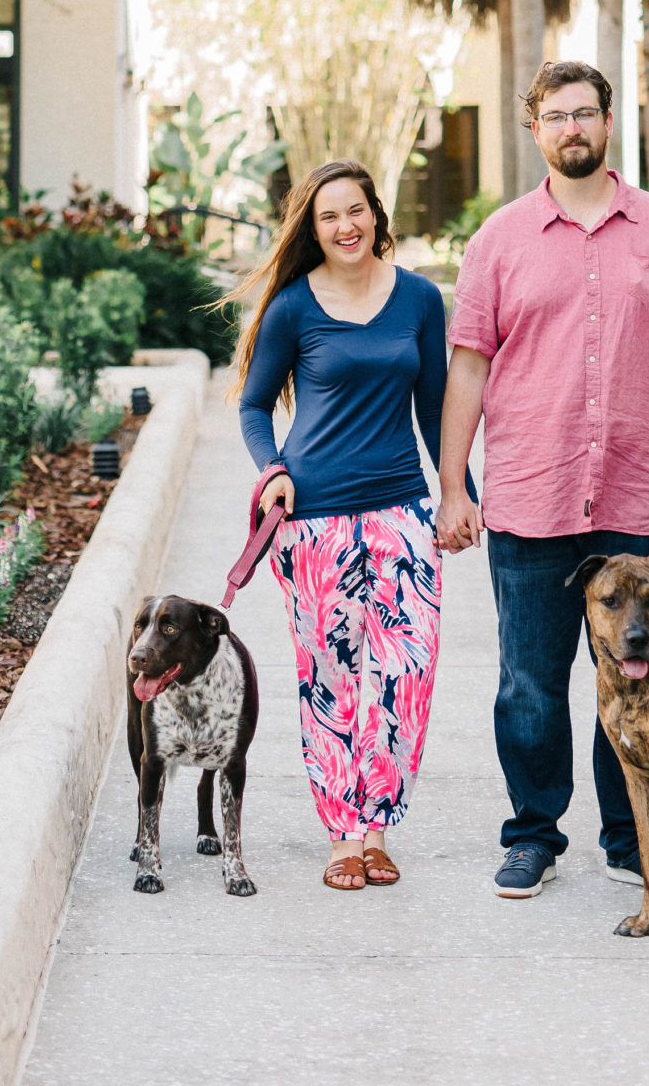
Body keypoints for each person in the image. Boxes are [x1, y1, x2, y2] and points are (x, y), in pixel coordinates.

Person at [436, 61, 649, 899]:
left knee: (641, 675)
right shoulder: (497, 240)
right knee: (528, 683)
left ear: (608, 123)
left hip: (640, 499)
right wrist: (454, 485)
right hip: (531, 495)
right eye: (556, 116)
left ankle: (629, 838)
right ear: (535, 130)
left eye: (586, 113)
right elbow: (467, 367)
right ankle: (533, 834)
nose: (572, 128)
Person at [236, 158, 469, 892]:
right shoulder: (292, 310)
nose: (346, 225)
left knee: (406, 676)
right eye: (329, 215)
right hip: (314, 520)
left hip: (402, 510)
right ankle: (342, 834)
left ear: (377, 215)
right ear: (313, 228)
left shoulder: (419, 301)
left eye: (356, 210)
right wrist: (270, 468)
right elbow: (252, 405)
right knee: (330, 676)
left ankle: (378, 828)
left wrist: (456, 491)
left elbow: (434, 407)